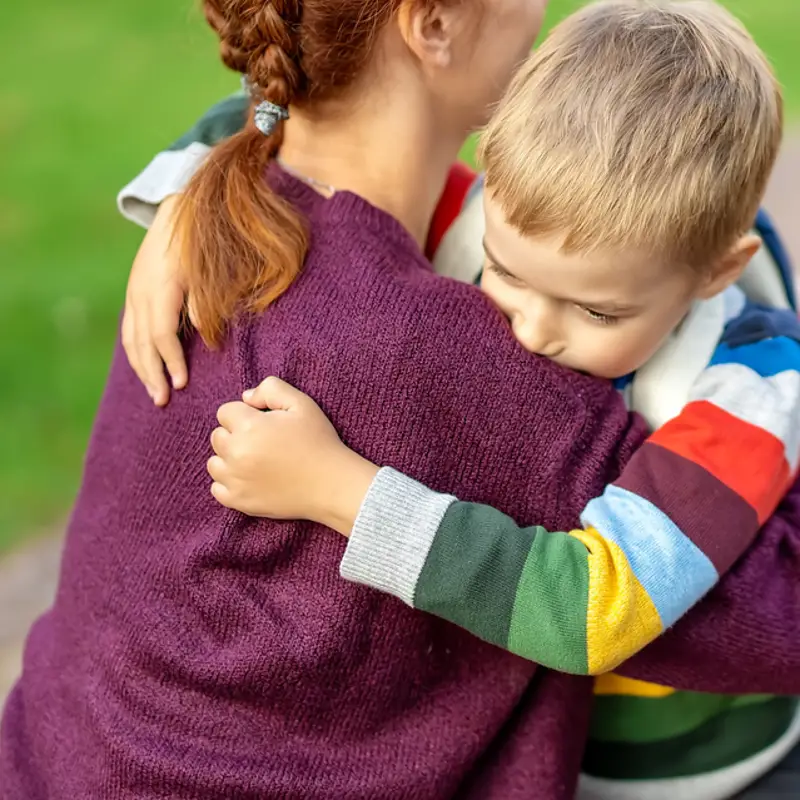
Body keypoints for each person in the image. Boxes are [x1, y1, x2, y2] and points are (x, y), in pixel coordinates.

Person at [4, 2, 800, 800]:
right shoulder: (448, 354)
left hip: (45, 753)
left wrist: (191, 179)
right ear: (433, 24)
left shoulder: (231, 220)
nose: (530, 331)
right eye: (507, 274)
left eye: (595, 312)